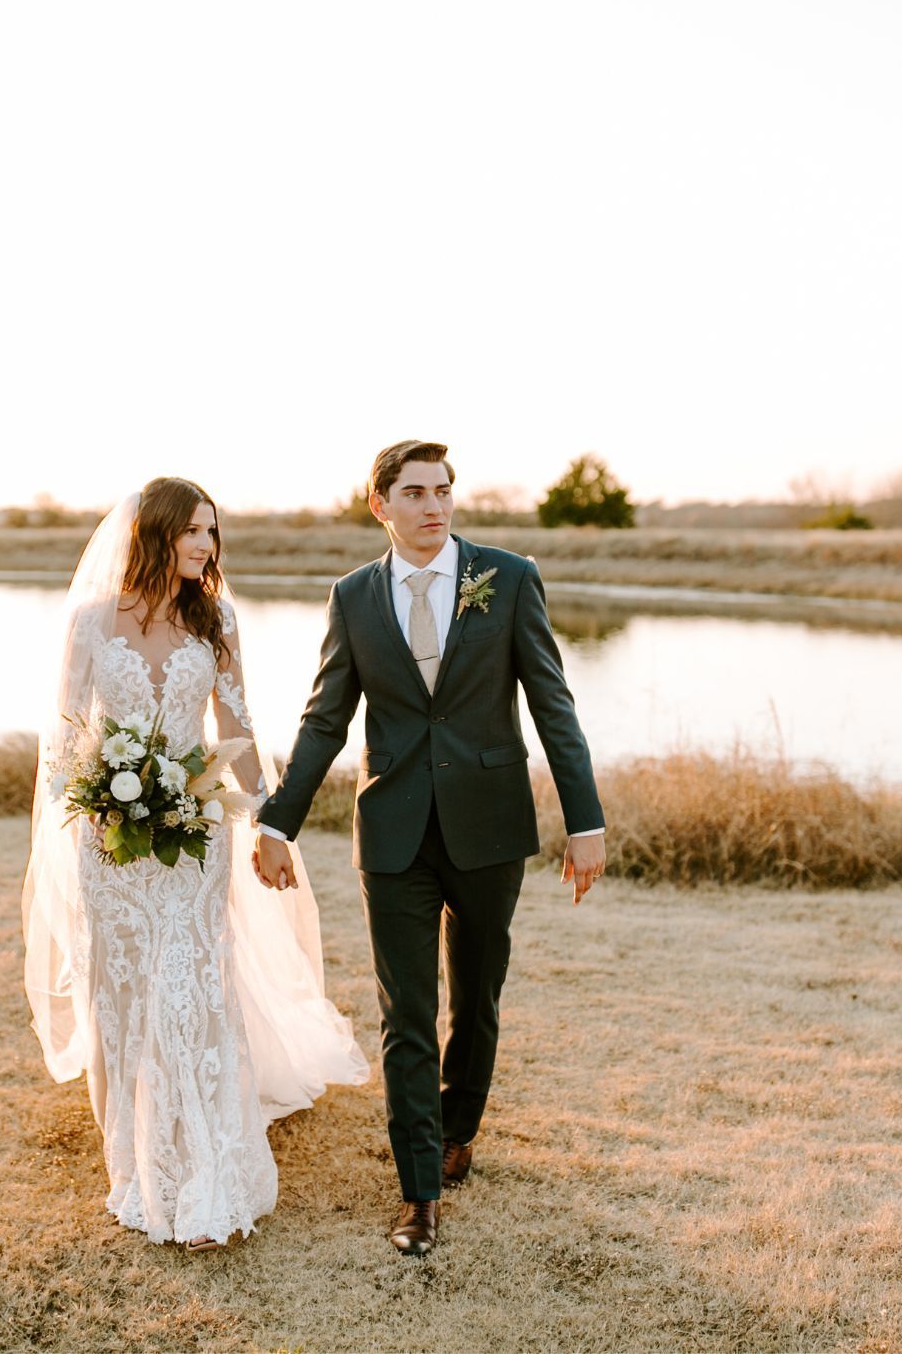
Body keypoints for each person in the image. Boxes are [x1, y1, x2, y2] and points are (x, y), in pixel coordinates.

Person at [255, 439, 606, 1258]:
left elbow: (554, 705)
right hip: (394, 833)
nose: (434, 506)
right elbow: (323, 720)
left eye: (444, 491)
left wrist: (583, 821)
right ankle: (419, 1193)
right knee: (404, 1015)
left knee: (475, 999)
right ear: (380, 504)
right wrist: (278, 820)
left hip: (489, 826)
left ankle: (459, 1127)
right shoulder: (353, 598)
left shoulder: (508, 578)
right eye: (414, 492)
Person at [21, 477, 368, 1251]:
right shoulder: (87, 622)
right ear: (154, 533)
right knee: (119, 996)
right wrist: (84, 812)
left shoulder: (216, 618)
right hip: (106, 845)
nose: (207, 546)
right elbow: (66, 741)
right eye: (193, 532)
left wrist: (271, 824)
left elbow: (236, 724)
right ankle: (132, 1164)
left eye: (213, 532)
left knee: (190, 992)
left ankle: (208, 1165)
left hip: (191, 838)